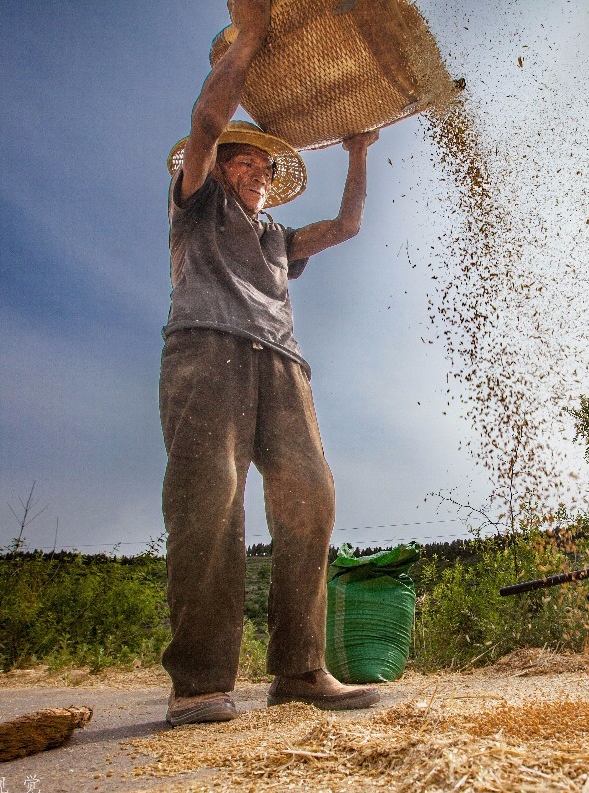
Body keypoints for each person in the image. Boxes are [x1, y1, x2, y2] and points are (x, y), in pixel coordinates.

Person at [159, 0, 380, 726]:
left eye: (261, 167)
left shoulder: (279, 238)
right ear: (220, 169)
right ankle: (199, 681)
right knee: (211, 502)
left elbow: (347, 225)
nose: (253, 173)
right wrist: (251, 38)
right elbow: (204, 125)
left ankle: (300, 669)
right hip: (206, 351)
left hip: (283, 366)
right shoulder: (196, 204)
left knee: (310, 495)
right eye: (243, 163)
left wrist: (357, 150)